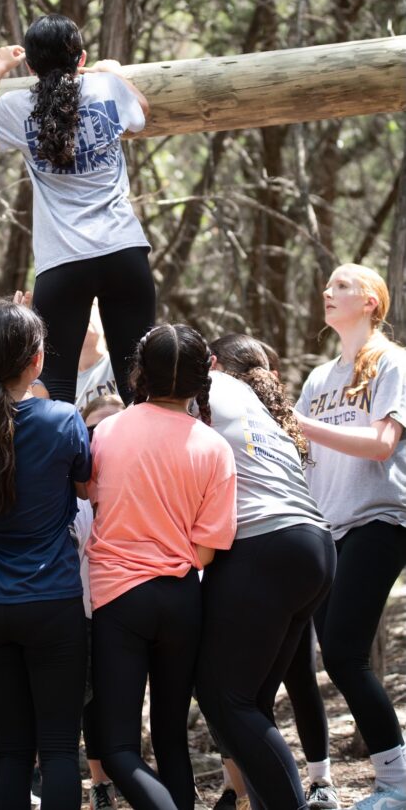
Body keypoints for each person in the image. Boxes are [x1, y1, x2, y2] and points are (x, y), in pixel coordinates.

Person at [0, 13, 156, 404]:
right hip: (123, 250)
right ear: (80, 59)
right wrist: (114, 71)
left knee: (55, 386)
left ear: (31, 66)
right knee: (138, 381)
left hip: (63, 260)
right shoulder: (105, 86)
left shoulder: (18, 106)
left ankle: (62, 463)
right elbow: (143, 108)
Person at [0, 299, 91, 810]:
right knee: (57, 752)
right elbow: (85, 484)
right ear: (38, 360)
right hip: (52, 602)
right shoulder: (62, 419)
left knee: (12, 750)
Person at [88, 324, 237, 810]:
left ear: (139, 375)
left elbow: (90, 495)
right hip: (180, 600)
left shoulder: (108, 430)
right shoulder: (214, 447)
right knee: (171, 738)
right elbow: (207, 551)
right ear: (201, 380)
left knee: (117, 749)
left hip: (118, 600)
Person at [196, 334, 336, 810]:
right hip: (313, 544)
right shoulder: (261, 406)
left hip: (265, 547)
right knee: (250, 703)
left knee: (226, 701)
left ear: (211, 363)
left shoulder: (210, 387)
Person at [295, 264, 406, 810]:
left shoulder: (392, 362)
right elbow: (299, 454)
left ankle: (396, 782)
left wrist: (300, 426)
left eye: (341, 285)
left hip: (380, 520)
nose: (327, 292)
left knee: (342, 654)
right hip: (326, 528)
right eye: (327, 285)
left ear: (370, 301)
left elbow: (383, 443)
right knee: (335, 658)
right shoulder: (318, 379)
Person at [78, 394, 125, 810]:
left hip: (128, 605)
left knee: (126, 696)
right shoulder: (73, 490)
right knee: (90, 701)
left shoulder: (137, 481)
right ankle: (100, 783)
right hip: (84, 609)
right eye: (93, 430)